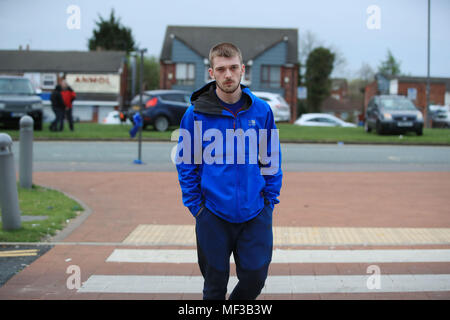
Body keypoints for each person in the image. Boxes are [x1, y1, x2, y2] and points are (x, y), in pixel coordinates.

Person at [175, 42, 282, 300]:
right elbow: (186, 163)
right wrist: (196, 207)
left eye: (234, 67)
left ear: (242, 69)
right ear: (211, 73)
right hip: (212, 213)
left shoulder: (261, 110)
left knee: (256, 278)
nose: (228, 74)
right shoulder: (195, 114)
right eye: (221, 69)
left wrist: (269, 201)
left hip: (255, 211)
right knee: (214, 285)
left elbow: (272, 159)